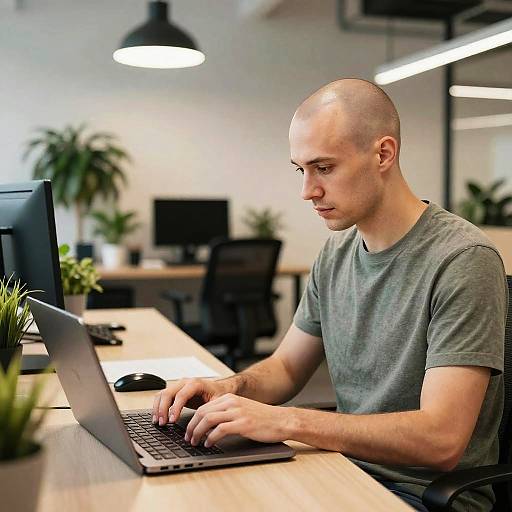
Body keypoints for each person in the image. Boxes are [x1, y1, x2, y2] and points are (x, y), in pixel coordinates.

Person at [152, 78, 507, 512]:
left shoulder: (462, 259)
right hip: (339, 470)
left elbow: (441, 440)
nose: (308, 191)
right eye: (300, 170)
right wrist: (227, 388)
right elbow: (285, 368)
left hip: (417, 497)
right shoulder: (337, 251)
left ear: (383, 153)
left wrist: (288, 420)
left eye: (324, 168)